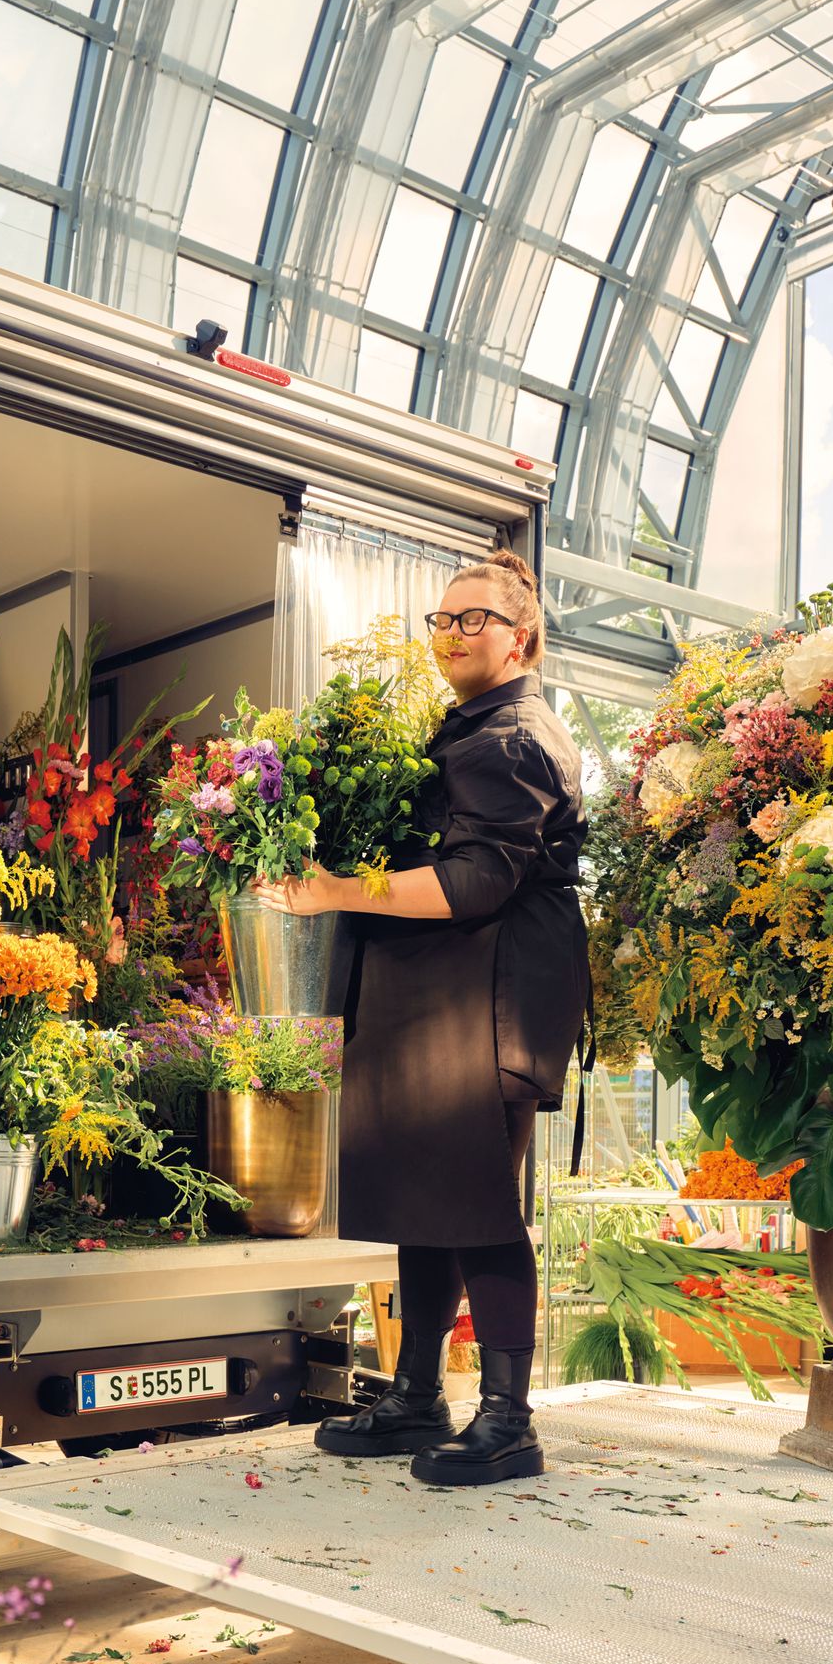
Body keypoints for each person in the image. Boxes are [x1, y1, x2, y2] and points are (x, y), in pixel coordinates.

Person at [251, 549, 587, 1486]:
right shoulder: (467, 729)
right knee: (430, 1200)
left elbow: (477, 881)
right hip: (442, 1003)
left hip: (486, 1003)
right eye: (441, 620)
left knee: (479, 1206)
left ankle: (509, 1421)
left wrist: (334, 890)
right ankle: (416, 1394)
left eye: (473, 619)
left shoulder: (512, 738)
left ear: (522, 636)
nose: (451, 634)